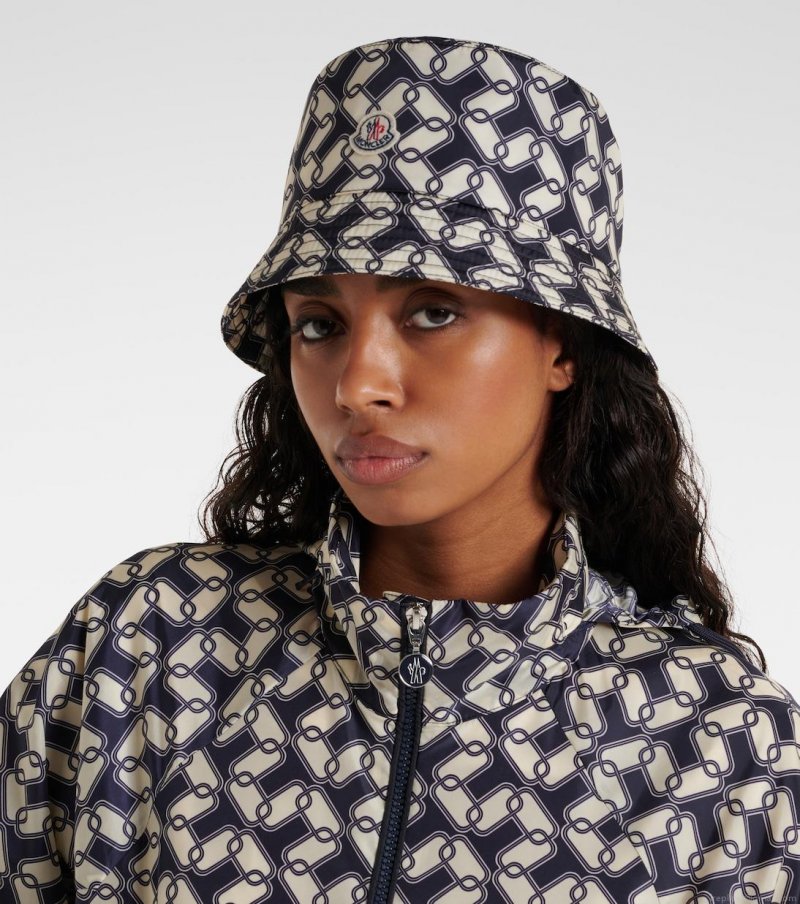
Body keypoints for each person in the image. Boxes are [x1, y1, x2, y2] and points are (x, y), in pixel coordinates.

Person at [1, 34, 798, 904]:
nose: (357, 384)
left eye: (433, 312)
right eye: (319, 324)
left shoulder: (722, 746)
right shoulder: (148, 645)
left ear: (563, 346)